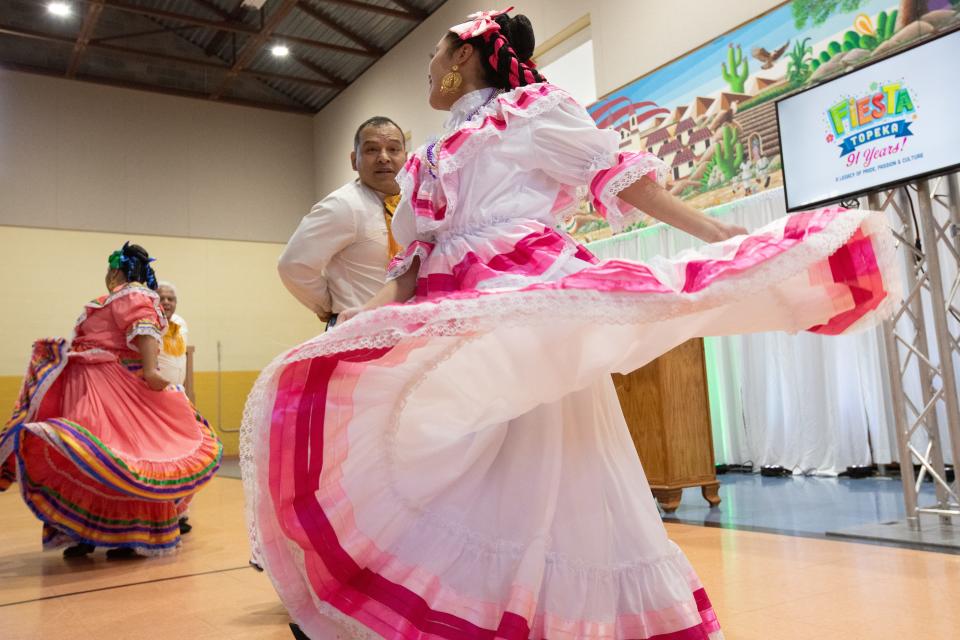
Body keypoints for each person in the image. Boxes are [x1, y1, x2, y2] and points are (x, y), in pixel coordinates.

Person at [241, 9, 895, 639]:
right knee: (464, 465)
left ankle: (565, 616)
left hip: (526, 299)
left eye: (435, 53)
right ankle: (501, 611)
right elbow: (411, 265)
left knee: (551, 462)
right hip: (458, 318)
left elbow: (617, 177)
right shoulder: (427, 160)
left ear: (463, 55)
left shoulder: (531, 111)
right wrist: (363, 316)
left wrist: (712, 230)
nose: (429, 67)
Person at [0, 243, 222, 558]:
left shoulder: (117, 298)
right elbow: (137, 331)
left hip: (104, 387)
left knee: (99, 456)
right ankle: (105, 534)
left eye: (110, 271)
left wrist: (148, 370)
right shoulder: (124, 298)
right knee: (110, 455)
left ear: (117, 271)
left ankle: (101, 535)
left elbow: (141, 331)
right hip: (103, 386)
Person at [278, 116, 407, 329]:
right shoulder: (343, 205)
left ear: (406, 156)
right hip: (358, 336)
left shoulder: (413, 204)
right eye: (371, 150)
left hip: (407, 334)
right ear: (353, 160)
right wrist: (327, 306)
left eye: (393, 149)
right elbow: (293, 265)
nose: (384, 157)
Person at [156, 281, 189, 387]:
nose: (166, 302)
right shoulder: (148, 324)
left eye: (170, 299)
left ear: (176, 302)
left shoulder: (181, 323)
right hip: (155, 391)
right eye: (162, 299)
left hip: (178, 389)